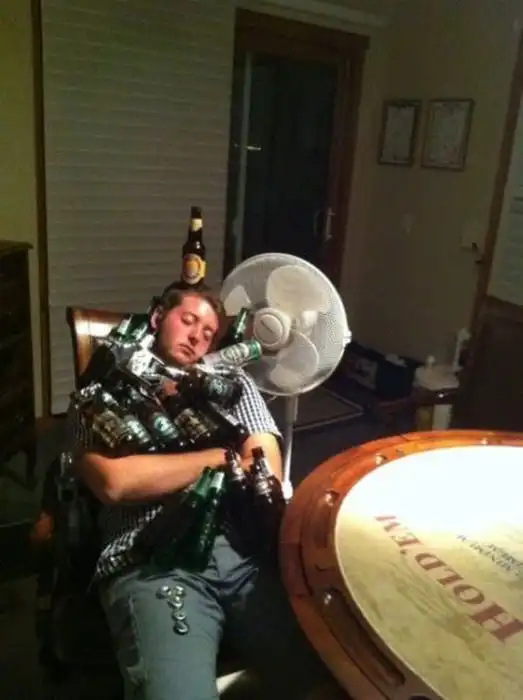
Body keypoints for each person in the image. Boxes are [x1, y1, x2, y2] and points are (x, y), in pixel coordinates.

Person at [67, 285, 341, 700]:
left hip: (243, 555)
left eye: (209, 332)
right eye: (188, 320)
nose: (197, 335)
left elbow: (263, 464)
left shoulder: (233, 383)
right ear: (158, 318)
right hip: (152, 562)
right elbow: (115, 483)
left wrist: (165, 470)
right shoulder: (99, 393)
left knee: (328, 681)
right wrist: (218, 456)